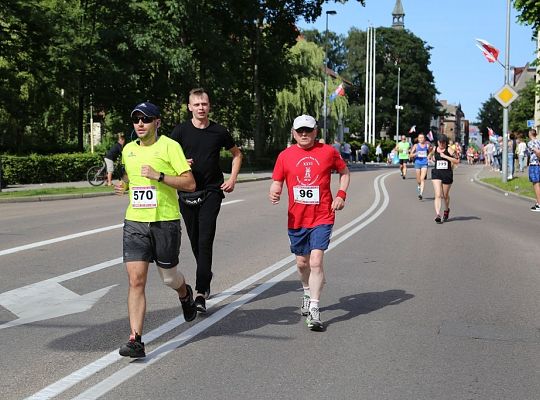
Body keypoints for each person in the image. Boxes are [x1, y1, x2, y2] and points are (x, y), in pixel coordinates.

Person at [115, 102, 198, 358]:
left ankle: (185, 294)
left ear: (157, 123)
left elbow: (190, 183)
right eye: (136, 119)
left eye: (146, 119)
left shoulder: (170, 147)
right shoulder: (128, 150)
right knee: (136, 280)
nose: (140, 124)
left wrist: (159, 176)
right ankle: (136, 340)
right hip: (135, 222)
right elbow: (131, 176)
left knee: (168, 278)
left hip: (165, 221)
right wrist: (125, 185)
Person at [269, 114, 350, 331]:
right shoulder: (285, 156)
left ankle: (314, 308)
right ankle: (306, 291)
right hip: (297, 218)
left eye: (308, 130)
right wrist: (275, 191)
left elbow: (344, 172)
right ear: (294, 133)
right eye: (300, 131)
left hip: (322, 215)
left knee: (315, 261)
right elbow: (277, 181)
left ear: (316, 132)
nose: (304, 134)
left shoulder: (328, 152)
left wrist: (341, 194)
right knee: (301, 263)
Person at [170, 88, 243, 313]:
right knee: (194, 240)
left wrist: (232, 179)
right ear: (189, 107)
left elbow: (237, 154)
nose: (201, 108)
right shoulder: (180, 131)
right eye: (197, 104)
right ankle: (206, 273)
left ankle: (201, 292)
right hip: (187, 192)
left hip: (212, 191)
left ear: (209, 106)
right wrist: (180, 161)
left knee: (205, 240)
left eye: (204, 104)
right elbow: (165, 158)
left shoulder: (219, 131)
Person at [429, 134, 459, 223]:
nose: (441, 144)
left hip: (447, 174)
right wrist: (430, 158)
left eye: (443, 143)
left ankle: (446, 210)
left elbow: (457, 160)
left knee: (445, 196)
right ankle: (438, 214)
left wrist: (445, 156)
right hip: (437, 173)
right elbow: (430, 155)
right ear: (437, 142)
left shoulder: (449, 149)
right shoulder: (435, 148)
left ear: (446, 143)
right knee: (438, 194)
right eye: (440, 142)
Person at [410, 133, 431, 200]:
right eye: (420, 138)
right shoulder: (416, 146)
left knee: (422, 179)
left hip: (424, 163)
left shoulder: (427, 145)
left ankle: (420, 194)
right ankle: (419, 184)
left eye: (422, 138)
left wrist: (429, 155)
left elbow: (431, 151)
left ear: (424, 139)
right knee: (418, 179)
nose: (421, 139)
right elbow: (410, 155)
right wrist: (416, 153)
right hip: (417, 163)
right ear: (418, 139)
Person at [527, 129, 540, 212]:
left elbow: (537, 152)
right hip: (538, 164)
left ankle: (539, 204)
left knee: (536, 184)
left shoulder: (531, 143)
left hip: (534, 164)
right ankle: (537, 202)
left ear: (530, 134)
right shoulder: (539, 141)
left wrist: (539, 157)